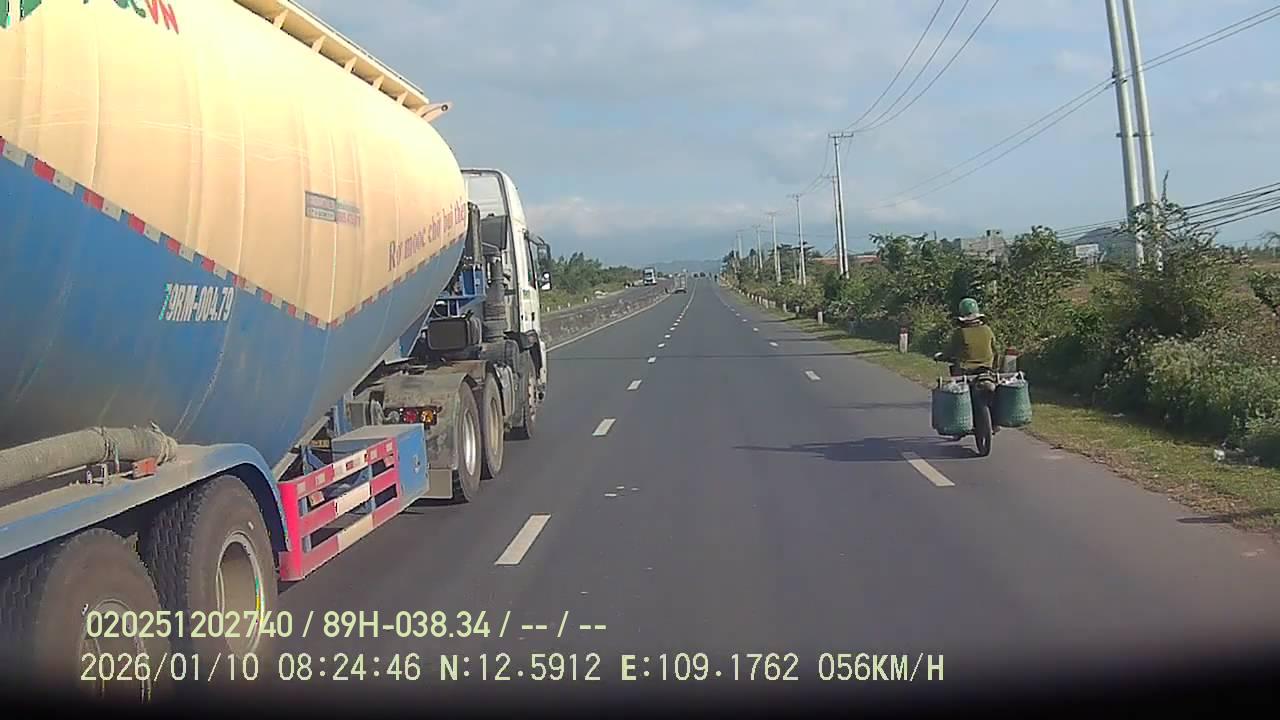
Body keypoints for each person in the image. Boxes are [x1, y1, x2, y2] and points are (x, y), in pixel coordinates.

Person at [941, 297, 1001, 433]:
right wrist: (995, 368)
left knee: (958, 391)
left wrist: (942, 356)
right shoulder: (987, 330)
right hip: (987, 370)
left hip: (965, 371)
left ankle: (962, 420)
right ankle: (995, 423)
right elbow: (996, 350)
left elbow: (951, 351)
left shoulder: (960, 333)